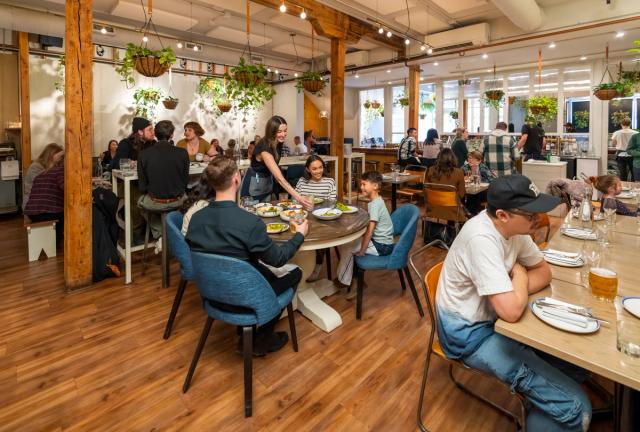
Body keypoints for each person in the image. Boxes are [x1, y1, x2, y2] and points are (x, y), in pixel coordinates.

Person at [436, 174, 592, 431]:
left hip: (495, 321)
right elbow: (510, 311)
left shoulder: (515, 229)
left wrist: (516, 287)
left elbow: (544, 273)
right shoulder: (481, 238)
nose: (537, 218)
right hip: (467, 334)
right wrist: (519, 276)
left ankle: (536, 404)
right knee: (578, 409)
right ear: (503, 215)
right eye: (530, 214)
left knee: (577, 365)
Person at [186, 157, 309, 355]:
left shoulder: (196, 219)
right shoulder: (249, 223)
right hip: (247, 296)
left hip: (212, 295)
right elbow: (278, 258)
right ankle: (262, 339)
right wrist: (299, 234)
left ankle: (251, 333)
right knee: (295, 273)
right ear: (237, 178)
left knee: (258, 269)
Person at [334, 171, 394, 289]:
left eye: (364, 184)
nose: (361, 187)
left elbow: (370, 232)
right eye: (361, 184)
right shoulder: (376, 201)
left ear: (375, 186)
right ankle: (351, 278)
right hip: (381, 242)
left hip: (382, 246)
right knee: (347, 245)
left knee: (348, 248)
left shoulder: (376, 205)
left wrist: (362, 250)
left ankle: (344, 280)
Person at [137, 120, 189, 242]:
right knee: (188, 200)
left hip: (155, 202)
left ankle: (160, 232)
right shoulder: (182, 153)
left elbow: (142, 187)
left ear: (155, 134)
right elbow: (184, 183)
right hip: (177, 201)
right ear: (172, 135)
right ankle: (173, 232)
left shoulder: (144, 155)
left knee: (139, 203)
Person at [249, 116, 311, 207]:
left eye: (285, 130)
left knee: (266, 212)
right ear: (271, 131)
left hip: (266, 181)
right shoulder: (265, 148)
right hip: (254, 183)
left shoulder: (278, 142)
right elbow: (280, 179)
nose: (283, 134)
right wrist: (299, 198)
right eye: (279, 131)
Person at [295, 155, 337, 282]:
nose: (318, 171)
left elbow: (332, 202)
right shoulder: (302, 181)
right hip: (305, 216)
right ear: (308, 169)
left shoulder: (329, 182)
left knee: (320, 236)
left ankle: (316, 266)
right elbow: (295, 200)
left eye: (320, 168)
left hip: (322, 218)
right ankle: (298, 264)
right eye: (314, 169)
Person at [24, 153, 65, 244]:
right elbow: (66, 188)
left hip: (32, 212)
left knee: (60, 212)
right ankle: (55, 241)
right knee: (68, 214)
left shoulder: (43, 173)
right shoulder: (60, 172)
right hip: (46, 212)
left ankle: (54, 239)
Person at [23, 143, 63, 210]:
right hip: (33, 204)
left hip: (46, 202)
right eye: (59, 156)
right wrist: (52, 163)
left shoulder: (55, 165)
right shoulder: (35, 166)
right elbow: (44, 184)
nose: (60, 159)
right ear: (50, 155)